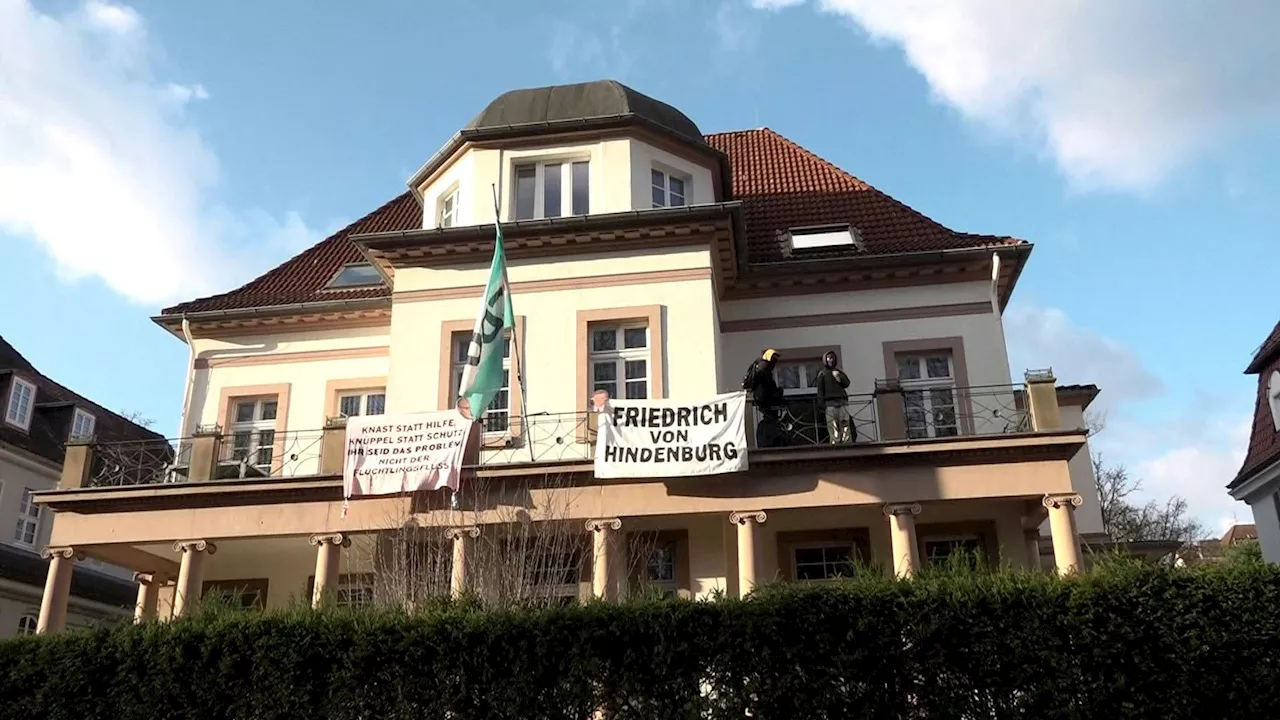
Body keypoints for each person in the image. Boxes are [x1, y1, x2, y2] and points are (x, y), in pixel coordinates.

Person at [743, 349, 785, 447]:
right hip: (763, 397)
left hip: (761, 396)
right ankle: (769, 440)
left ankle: (769, 439)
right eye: (773, 358)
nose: (775, 361)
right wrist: (776, 392)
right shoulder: (764, 366)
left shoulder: (761, 365)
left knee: (769, 419)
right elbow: (767, 383)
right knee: (770, 418)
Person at [815, 351, 853, 444]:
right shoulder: (822, 374)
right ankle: (835, 443)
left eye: (832, 358)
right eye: (828, 358)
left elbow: (847, 383)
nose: (830, 360)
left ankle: (846, 442)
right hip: (830, 404)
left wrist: (839, 377)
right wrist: (821, 404)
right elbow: (820, 390)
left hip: (842, 402)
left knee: (845, 424)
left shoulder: (839, 372)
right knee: (833, 426)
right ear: (825, 360)